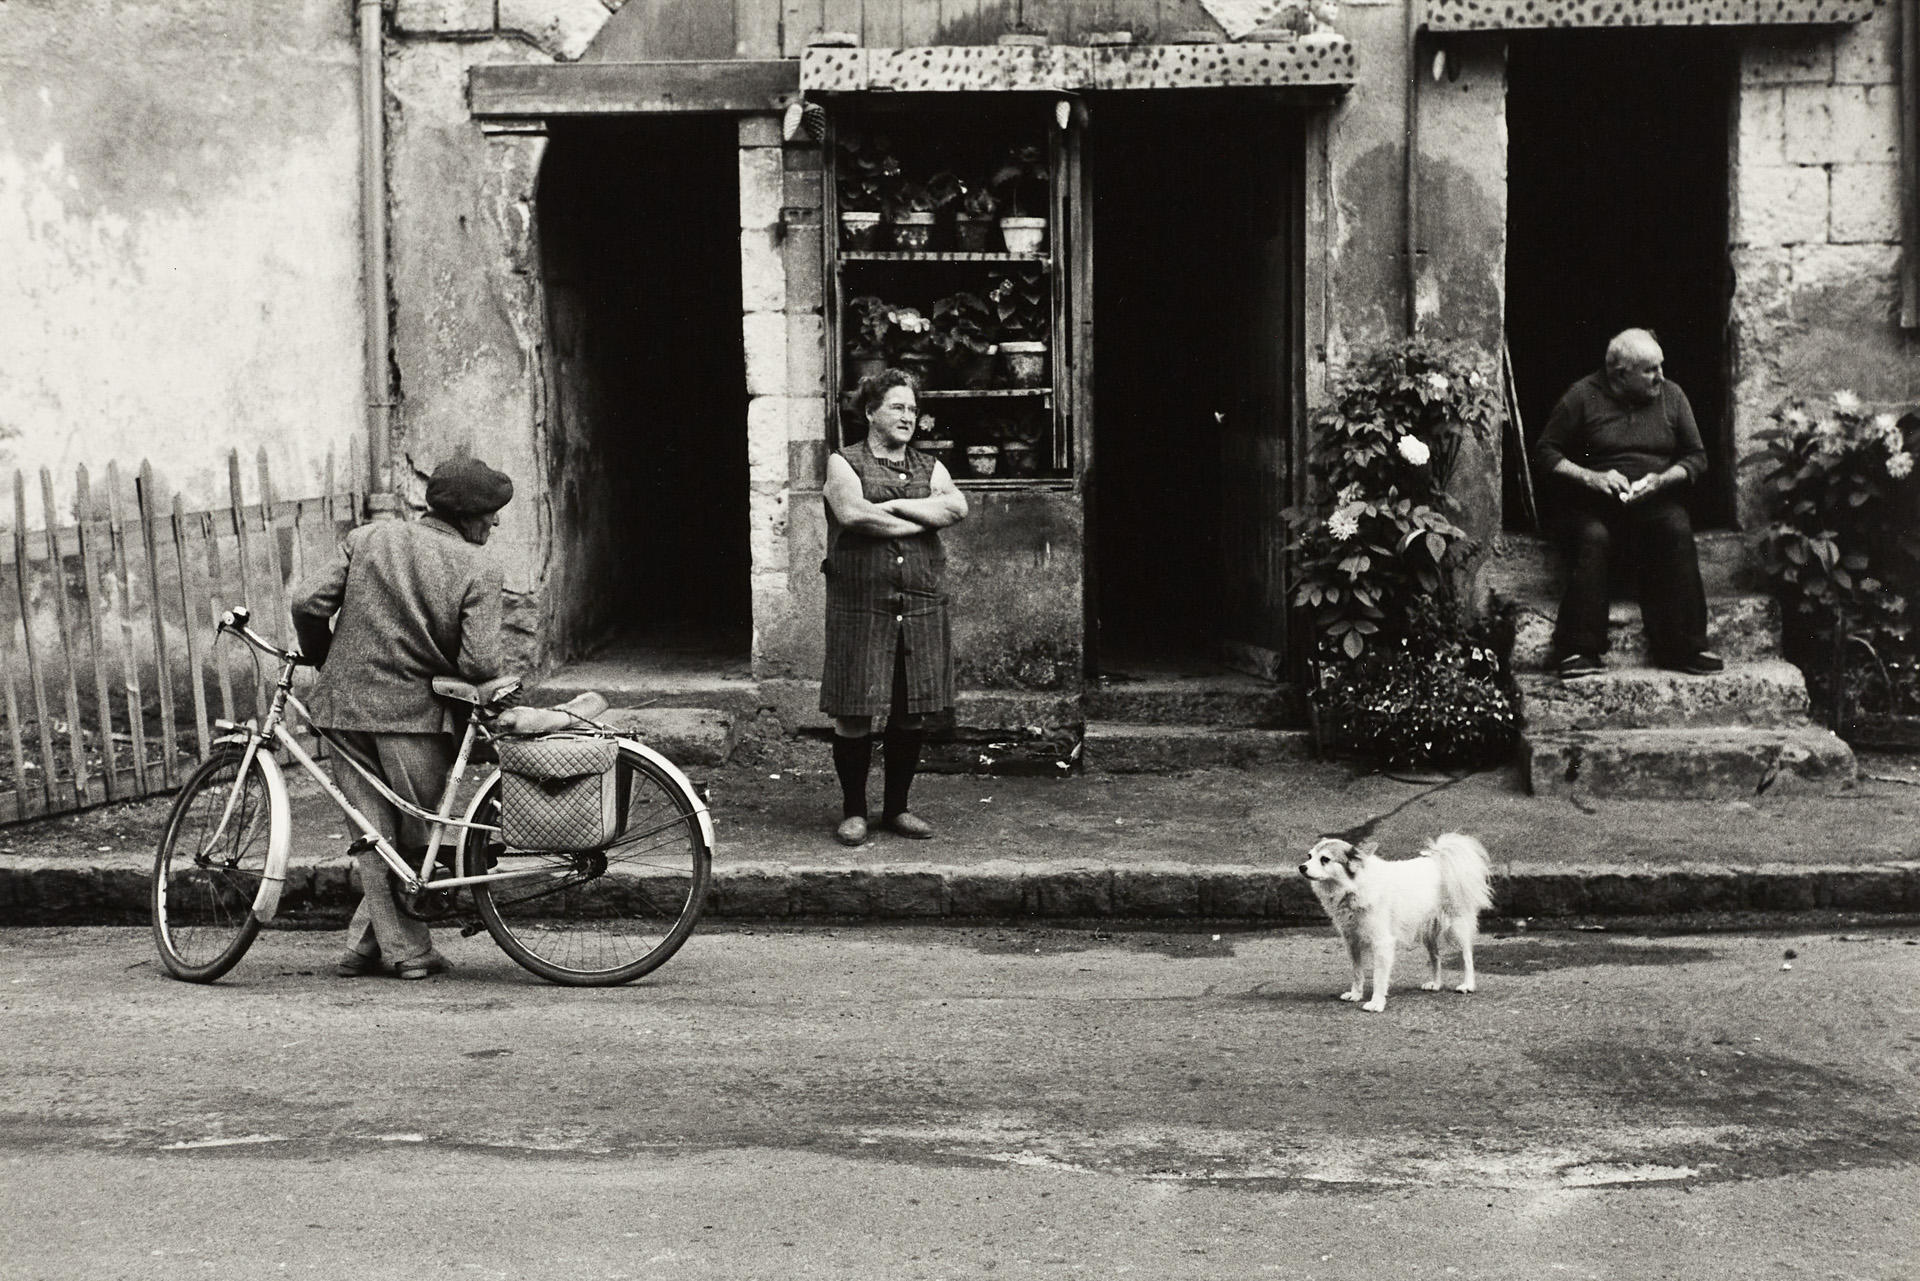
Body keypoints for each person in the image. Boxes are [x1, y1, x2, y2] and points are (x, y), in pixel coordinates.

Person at [290, 457, 514, 979]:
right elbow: (479, 663)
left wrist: (324, 656)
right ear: (466, 516)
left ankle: (364, 947)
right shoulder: (478, 567)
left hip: (344, 710)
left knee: (376, 837)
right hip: (416, 717)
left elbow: (306, 601)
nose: (495, 524)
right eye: (490, 513)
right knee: (413, 840)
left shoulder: (369, 538)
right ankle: (409, 954)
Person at [821, 369, 969, 846]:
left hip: (920, 603)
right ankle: (854, 812)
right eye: (897, 407)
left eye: (912, 409)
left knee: (911, 711)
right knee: (854, 708)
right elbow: (854, 515)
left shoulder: (932, 466)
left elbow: (955, 509)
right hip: (860, 604)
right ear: (870, 412)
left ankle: (898, 809)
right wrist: (919, 512)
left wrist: (894, 508)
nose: (908, 416)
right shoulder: (844, 463)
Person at [1533, 329, 1723, 680]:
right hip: (1592, 504)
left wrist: (1662, 480)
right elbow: (1546, 454)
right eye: (1650, 370)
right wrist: (1592, 477)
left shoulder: (1673, 396)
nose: (1660, 377)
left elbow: (1697, 457)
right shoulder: (1581, 397)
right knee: (1593, 537)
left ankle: (1685, 647)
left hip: (1651, 501)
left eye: (1660, 367)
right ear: (1620, 374)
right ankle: (1579, 649)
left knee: (1676, 526)